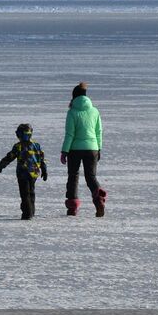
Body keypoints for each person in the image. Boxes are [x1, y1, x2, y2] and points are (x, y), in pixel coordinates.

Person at [61, 82, 106, 217]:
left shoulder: (72, 112)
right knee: (91, 177)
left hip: (74, 149)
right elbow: (99, 132)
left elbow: (70, 134)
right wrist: (99, 148)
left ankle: (72, 206)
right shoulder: (95, 111)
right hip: (92, 148)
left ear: (74, 97)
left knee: (73, 176)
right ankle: (99, 198)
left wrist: (64, 151)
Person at [0, 123, 48, 220]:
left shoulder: (18, 146)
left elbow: (9, 157)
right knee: (31, 192)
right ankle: (31, 212)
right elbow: (42, 159)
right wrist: (44, 170)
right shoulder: (36, 145)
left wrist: (0, 166)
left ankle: (27, 214)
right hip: (34, 173)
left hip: (23, 173)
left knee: (25, 194)